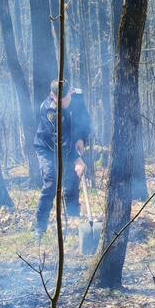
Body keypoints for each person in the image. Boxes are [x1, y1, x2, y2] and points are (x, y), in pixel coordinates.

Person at [33, 79, 91, 236]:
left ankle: (73, 221)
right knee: (51, 182)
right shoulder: (48, 110)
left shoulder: (77, 97)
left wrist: (81, 138)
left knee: (72, 180)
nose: (65, 103)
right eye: (61, 101)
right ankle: (39, 226)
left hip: (68, 143)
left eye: (67, 99)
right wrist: (77, 159)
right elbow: (58, 138)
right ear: (53, 96)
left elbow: (84, 120)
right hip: (47, 148)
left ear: (70, 92)